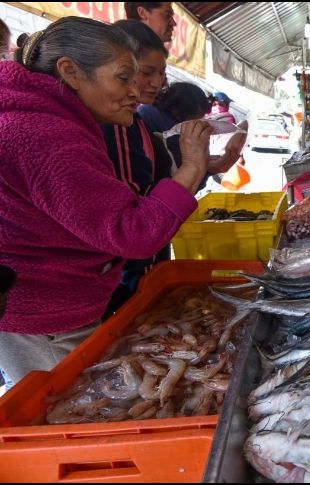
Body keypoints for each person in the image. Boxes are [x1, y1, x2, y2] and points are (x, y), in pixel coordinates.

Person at [0, 17, 212, 384]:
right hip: (47, 316)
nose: (137, 90)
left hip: (55, 304)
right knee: (71, 411)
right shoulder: (45, 136)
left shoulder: (46, 118)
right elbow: (133, 233)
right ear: (70, 71)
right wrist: (192, 166)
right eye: (123, 77)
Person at [100, 19, 178, 316]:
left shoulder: (137, 122)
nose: (156, 83)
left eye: (161, 73)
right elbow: (133, 217)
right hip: (128, 277)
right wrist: (194, 168)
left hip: (147, 264)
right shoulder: (117, 126)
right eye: (145, 73)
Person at [140, 82, 245, 182]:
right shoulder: (164, 132)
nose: (196, 124)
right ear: (177, 112)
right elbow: (175, 177)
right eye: (193, 120)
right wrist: (207, 167)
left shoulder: (148, 112)